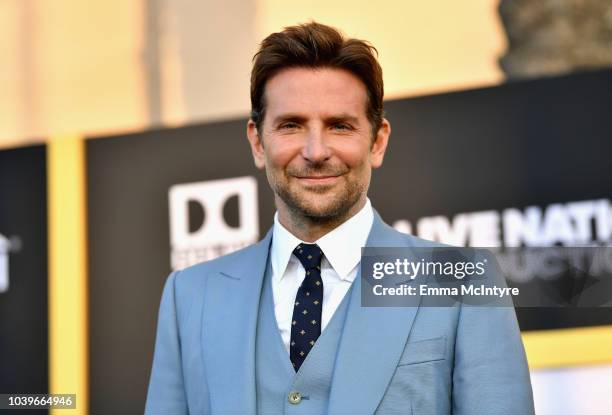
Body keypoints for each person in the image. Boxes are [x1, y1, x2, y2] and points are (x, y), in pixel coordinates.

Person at [145, 22, 535, 414]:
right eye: (291, 125)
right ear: (258, 141)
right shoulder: (191, 296)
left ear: (377, 142)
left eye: (340, 126)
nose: (316, 151)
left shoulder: (462, 281)